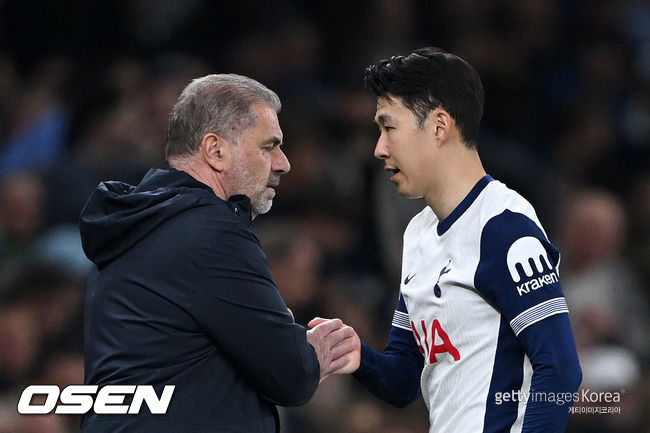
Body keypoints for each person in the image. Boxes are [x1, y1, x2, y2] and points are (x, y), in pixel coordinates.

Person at [311, 47, 582, 432]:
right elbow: (406, 379)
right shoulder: (417, 233)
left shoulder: (503, 227)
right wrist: (359, 357)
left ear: (439, 125)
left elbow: (559, 368)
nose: (379, 148)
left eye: (389, 128)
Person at [79, 73, 356, 433]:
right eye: (268, 147)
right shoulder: (214, 232)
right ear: (215, 150)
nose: (283, 163)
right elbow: (291, 374)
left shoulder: (136, 227)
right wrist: (312, 351)